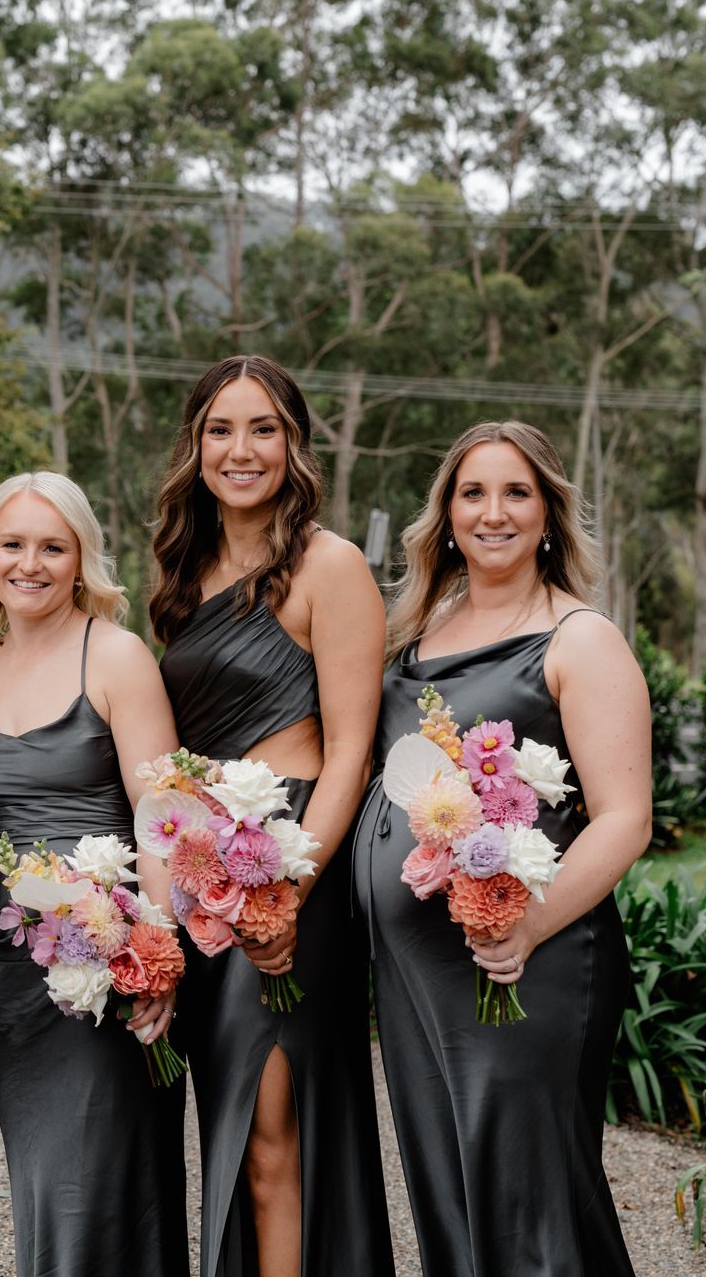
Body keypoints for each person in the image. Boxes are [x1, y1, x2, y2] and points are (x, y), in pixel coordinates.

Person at [352, 420, 648, 1276]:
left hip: (524, 963)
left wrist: (528, 927)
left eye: (516, 492)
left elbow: (624, 816)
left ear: (549, 513)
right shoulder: (416, 628)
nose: (493, 512)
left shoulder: (578, 639)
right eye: (472, 493)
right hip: (416, 977)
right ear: (445, 515)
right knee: (449, 1190)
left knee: (530, 1201)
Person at [148, 356, 394, 1277]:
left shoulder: (331, 566)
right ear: (196, 447)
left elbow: (352, 753)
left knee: (273, 1129)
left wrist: (287, 887)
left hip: (294, 866)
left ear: (294, 445)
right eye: (220, 429)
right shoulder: (181, 571)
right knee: (227, 1123)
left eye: (262, 429)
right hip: (203, 877)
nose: (240, 449)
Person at [0, 471, 190, 1277]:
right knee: (44, 1180)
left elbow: (161, 817)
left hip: (107, 957)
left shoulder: (118, 657)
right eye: (12, 545)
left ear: (81, 558)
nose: (31, 564)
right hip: (12, 973)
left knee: (105, 1183)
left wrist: (156, 952)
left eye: (52, 547)